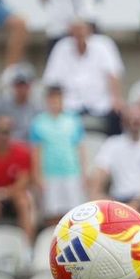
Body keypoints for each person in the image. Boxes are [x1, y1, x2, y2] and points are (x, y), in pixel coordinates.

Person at [41, 18, 124, 134]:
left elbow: (113, 74)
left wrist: (116, 99)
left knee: (119, 117)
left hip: (101, 102)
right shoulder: (61, 47)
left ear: (89, 30)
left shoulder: (103, 45)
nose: (79, 34)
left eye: (82, 29)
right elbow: (51, 81)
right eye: (75, 30)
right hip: (70, 104)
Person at [90, 103, 140, 218]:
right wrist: (95, 193)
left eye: (139, 119)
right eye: (132, 118)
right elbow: (101, 172)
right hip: (118, 199)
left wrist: (137, 203)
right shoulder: (112, 144)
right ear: (124, 121)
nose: (135, 122)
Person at [31, 83, 87, 219]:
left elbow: (80, 148)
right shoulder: (38, 122)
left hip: (71, 172)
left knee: (75, 214)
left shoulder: (74, 120)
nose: (55, 101)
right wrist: (38, 176)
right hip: (50, 174)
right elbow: (36, 151)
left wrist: (83, 173)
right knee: (52, 214)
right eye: (52, 98)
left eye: (58, 98)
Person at [0, 63, 39, 132]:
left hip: (26, 142)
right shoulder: (1, 103)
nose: (22, 89)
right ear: (13, 85)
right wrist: (0, 123)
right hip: (4, 142)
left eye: (25, 85)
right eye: (19, 85)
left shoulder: (37, 108)